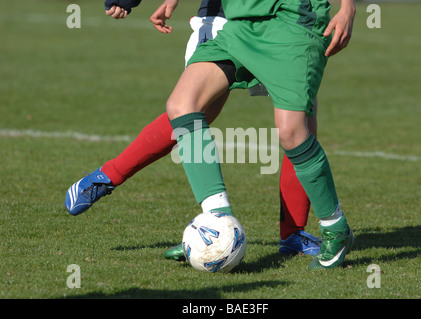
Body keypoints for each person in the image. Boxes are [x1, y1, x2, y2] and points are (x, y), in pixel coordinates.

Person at [65, 0, 322, 261]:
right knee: (193, 110)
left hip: (284, 21)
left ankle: (293, 235)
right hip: (226, 17)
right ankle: (109, 178)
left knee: (300, 124)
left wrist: (347, 7)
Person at [159, 0, 356, 269]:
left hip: (292, 21)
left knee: (292, 132)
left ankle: (336, 229)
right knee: (182, 105)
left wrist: (347, 8)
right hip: (240, 21)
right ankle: (219, 223)